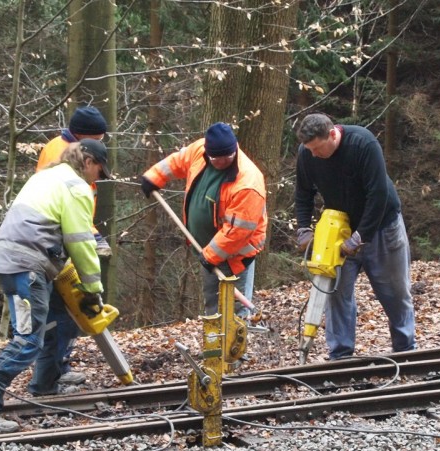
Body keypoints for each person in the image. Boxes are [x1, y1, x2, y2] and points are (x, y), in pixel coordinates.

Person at [0, 139, 112, 434]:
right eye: (99, 170)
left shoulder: (44, 176)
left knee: (50, 323)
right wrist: (93, 288)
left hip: (14, 259)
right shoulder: (75, 186)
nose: (98, 178)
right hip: (27, 265)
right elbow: (80, 241)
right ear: (88, 161)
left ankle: (44, 385)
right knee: (27, 340)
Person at [294, 113, 416, 359]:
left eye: (317, 148)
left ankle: (405, 349)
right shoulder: (307, 153)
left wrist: (361, 237)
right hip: (340, 229)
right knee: (336, 292)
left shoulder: (363, 143)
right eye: (310, 149)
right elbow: (303, 193)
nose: (314, 154)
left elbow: (378, 194)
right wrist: (304, 228)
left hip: (382, 226)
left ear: (332, 135)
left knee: (394, 290)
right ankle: (341, 355)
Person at [140, 122, 267, 316]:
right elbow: (178, 161)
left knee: (235, 313)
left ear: (235, 150)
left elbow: (237, 232)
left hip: (235, 257)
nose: (221, 162)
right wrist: (154, 176)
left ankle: (234, 344)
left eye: (227, 157)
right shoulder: (200, 150)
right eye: (216, 158)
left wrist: (211, 256)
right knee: (213, 308)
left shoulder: (248, 182)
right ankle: (214, 345)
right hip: (208, 251)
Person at [36, 105, 111, 387]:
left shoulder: (66, 149)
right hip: (58, 239)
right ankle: (53, 373)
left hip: (63, 232)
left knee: (62, 311)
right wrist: (90, 238)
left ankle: (57, 368)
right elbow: (68, 204)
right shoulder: (61, 153)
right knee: (64, 309)